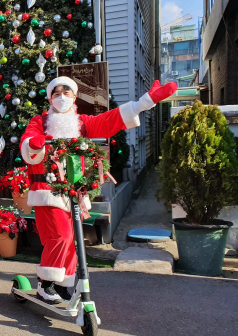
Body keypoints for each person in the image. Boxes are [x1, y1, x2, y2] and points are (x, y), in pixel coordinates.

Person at [20, 77, 177, 304]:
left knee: (73, 237)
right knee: (59, 236)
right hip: (46, 188)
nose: (61, 97)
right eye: (56, 93)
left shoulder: (81, 123)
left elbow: (108, 120)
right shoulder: (40, 121)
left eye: (67, 92)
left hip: (73, 191)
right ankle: (46, 283)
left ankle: (64, 282)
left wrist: (144, 103)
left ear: (74, 97)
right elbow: (28, 140)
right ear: (49, 98)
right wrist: (34, 143)